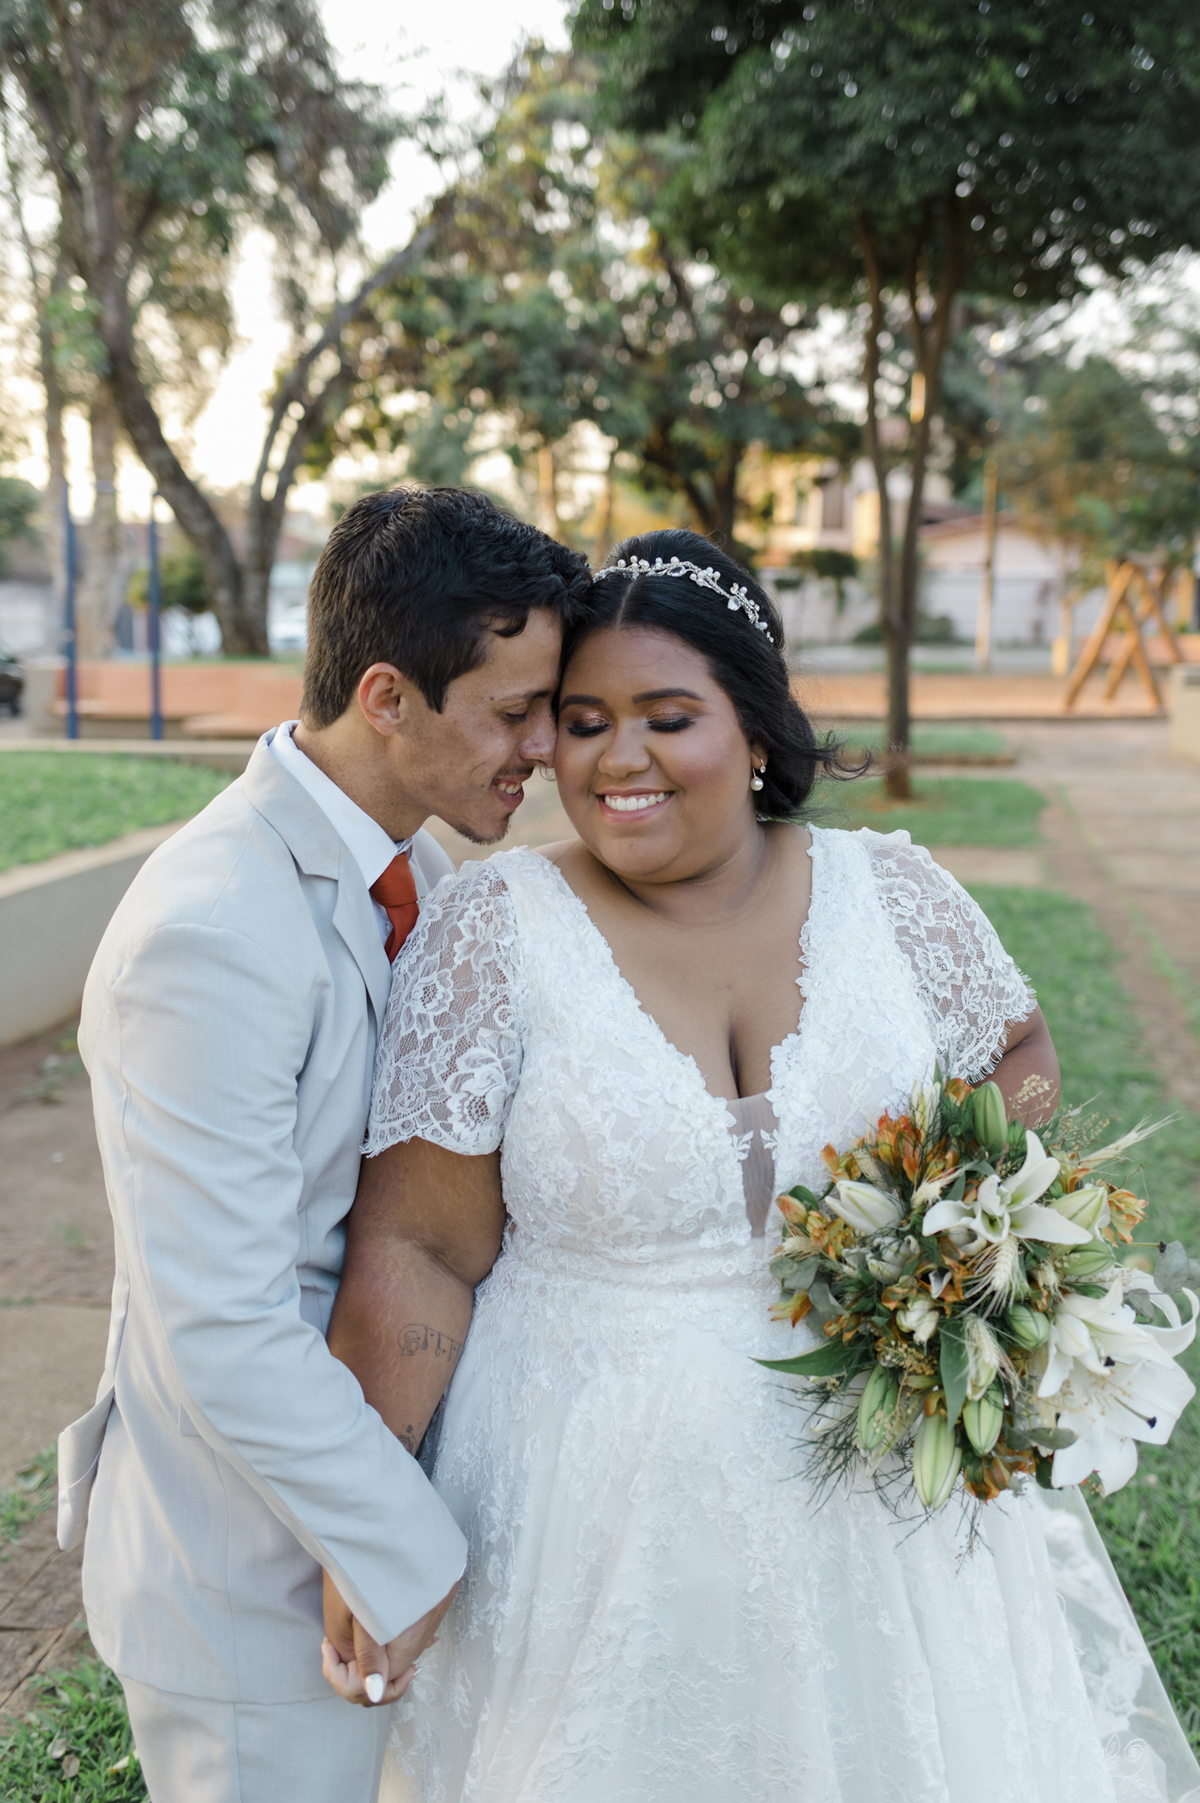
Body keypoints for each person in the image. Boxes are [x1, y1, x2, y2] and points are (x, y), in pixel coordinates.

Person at [332, 527, 1200, 1803]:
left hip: (876, 1496)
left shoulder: (893, 894)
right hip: (583, 1496)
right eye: (581, 721)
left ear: (754, 727)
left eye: (666, 716)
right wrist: (372, 1527)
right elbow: (419, 1248)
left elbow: (1014, 1043)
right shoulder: (493, 932)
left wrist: (957, 1225)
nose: (619, 757)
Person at [59, 486, 593, 1803]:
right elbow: (223, 1321)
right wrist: (404, 1541)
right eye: (515, 710)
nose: (547, 746)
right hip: (250, 1582)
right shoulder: (212, 931)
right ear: (388, 695)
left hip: (377, 1528)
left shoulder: (435, 877)